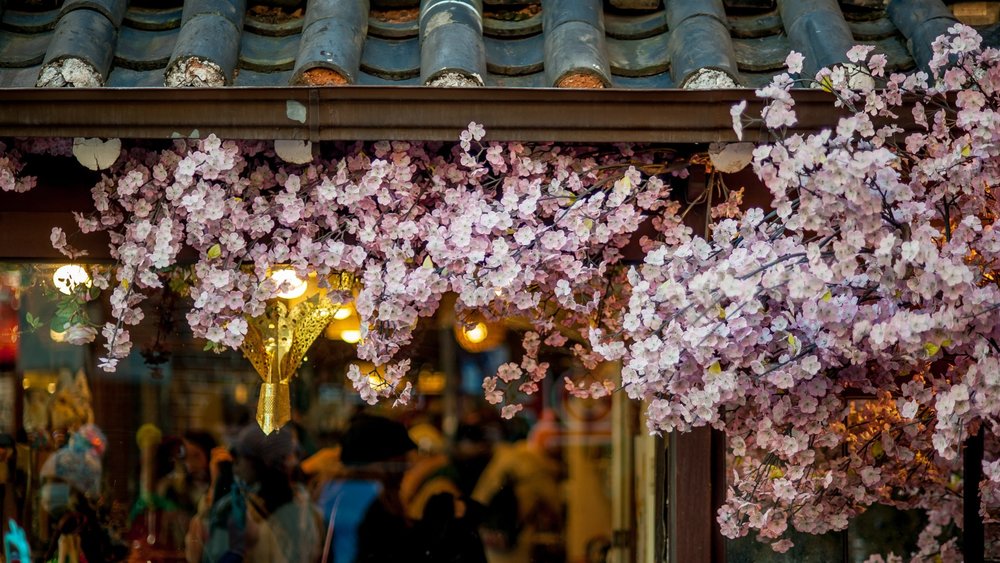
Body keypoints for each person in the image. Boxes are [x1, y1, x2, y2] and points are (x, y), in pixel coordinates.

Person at [185, 425, 322, 563]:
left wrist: (216, 490)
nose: (236, 466)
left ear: (259, 464)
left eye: (242, 458)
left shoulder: (243, 510)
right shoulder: (304, 505)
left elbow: (197, 553)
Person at [472, 413, 566, 563]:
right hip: (516, 538)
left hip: (490, 536)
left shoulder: (505, 458)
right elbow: (556, 505)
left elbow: (479, 497)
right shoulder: (537, 467)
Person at [40, 424, 128, 563]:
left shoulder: (65, 453)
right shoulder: (89, 457)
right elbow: (93, 491)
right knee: (90, 522)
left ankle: (51, 554)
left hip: (48, 499)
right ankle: (101, 552)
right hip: (67, 499)